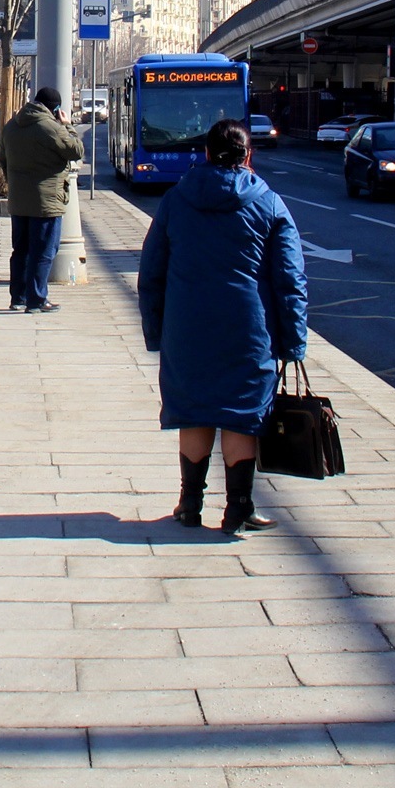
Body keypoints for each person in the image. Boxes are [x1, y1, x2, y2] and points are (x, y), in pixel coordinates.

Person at [137, 116, 307, 535]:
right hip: (249, 331)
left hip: (187, 327)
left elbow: (151, 272)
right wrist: (294, 342)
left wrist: (156, 333)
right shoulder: (269, 203)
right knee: (240, 415)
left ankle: (189, 505)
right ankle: (238, 509)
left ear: (207, 154)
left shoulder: (176, 200)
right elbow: (291, 279)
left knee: (193, 410)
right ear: (248, 156)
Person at [0, 86, 84, 313]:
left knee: (21, 250)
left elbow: (3, 161)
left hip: (19, 201)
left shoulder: (11, 127)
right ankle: (37, 299)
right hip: (46, 202)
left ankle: (18, 298)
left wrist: (15, 184)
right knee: (44, 251)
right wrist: (68, 126)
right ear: (54, 108)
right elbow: (76, 150)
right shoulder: (51, 128)